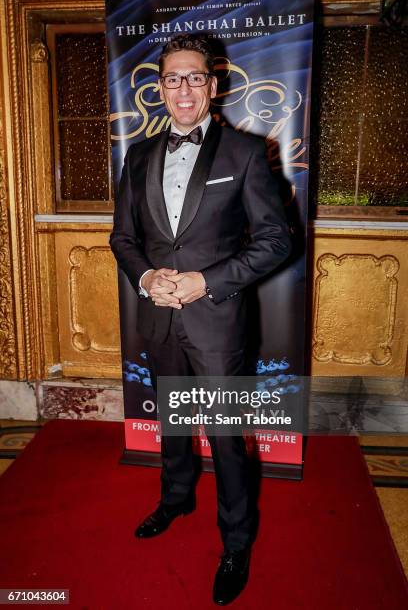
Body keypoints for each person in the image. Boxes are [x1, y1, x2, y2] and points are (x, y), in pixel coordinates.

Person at [110, 33, 292, 606]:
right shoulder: (138, 156)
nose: (183, 89)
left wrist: (205, 282)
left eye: (194, 77)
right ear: (159, 88)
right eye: (172, 79)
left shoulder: (244, 152)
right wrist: (146, 277)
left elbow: (276, 240)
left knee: (226, 438)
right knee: (171, 423)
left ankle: (236, 543)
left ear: (212, 87)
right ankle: (176, 497)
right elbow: (124, 238)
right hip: (159, 317)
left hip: (218, 325)